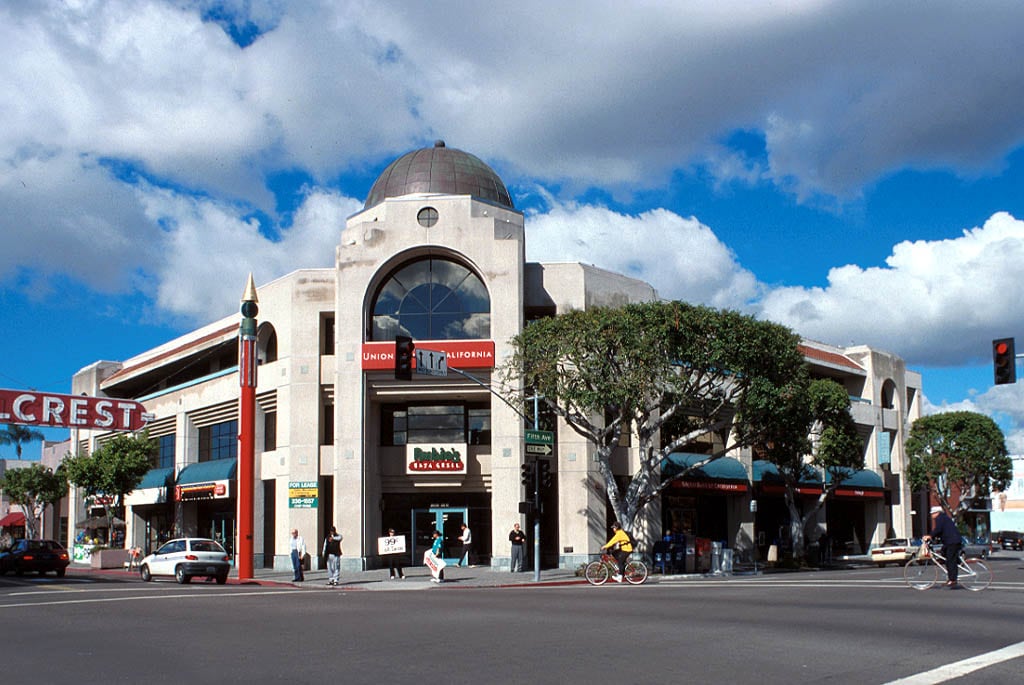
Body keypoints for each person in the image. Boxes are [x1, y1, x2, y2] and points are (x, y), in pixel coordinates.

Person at [923, 505, 962, 588]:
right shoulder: (944, 518)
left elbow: (938, 529)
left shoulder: (940, 518)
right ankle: (956, 564)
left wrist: (930, 536)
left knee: (950, 560)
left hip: (952, 541)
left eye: (932, 513)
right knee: (944, 553)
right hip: (951, 541)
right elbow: (941, 531)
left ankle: (953, 579)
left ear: (937, 513)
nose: (932, 516)